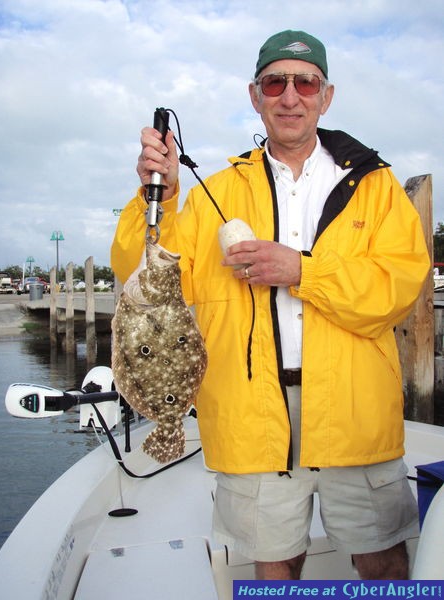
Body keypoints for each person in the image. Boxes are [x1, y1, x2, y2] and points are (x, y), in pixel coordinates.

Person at [111, 30, 430, 580]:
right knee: (274, 561)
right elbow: (140, 273)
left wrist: (302, 270)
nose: (290, 96)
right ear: (255, 95)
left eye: (304, 82)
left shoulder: (375, 187)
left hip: (356, 410)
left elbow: (397, 288)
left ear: (325, 96)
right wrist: (153, 196)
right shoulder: (215, 191)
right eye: (274, 82)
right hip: (250, 412)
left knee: (382, 556)